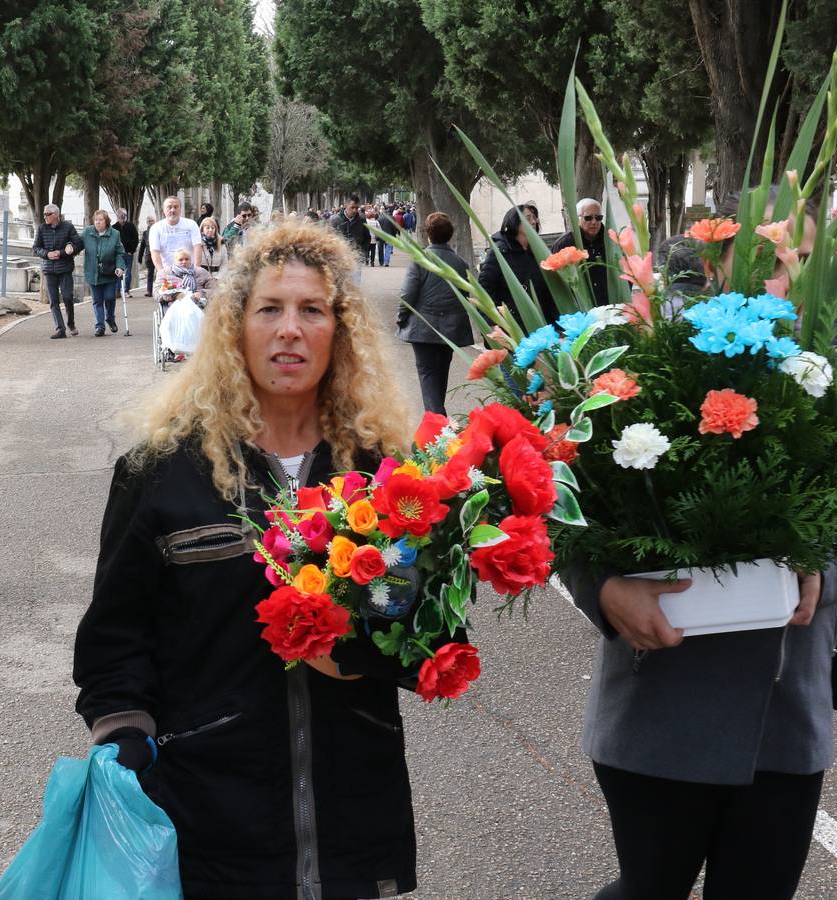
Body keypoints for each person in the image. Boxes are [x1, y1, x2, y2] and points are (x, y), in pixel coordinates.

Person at [75, 219, 448, 899]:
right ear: (233, 329)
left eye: (312, 310)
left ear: (339, 333)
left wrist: (353, 653)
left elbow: (429, 634)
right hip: (204, 817)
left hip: (349, 814)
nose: (289, 330)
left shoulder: (386, 477)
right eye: (269, 309)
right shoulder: (160, 471)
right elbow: (114, 639)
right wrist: (124, 736)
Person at [566, 201, 837, 900]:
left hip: (783, 715)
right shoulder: (647, 357)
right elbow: (567, 502)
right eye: (774, 261)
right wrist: (603, 590)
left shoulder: (833, 373)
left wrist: (823, 567)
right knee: (647, 888)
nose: (792, 280)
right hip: (660, 700)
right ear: (719, 264)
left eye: (806, 263)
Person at [397, 212, 473, 416]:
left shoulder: (420, 260)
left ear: (428, 234)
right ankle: (437, 420)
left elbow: (407, 294)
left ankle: (438, 422)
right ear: (450, 235)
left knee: (427, 374)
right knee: (441, 374)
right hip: (451, 328)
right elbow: (466, 295)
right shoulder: (460, 263)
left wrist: (402, 317)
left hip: (423, 325)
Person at [478, 206, 556, 327]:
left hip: (539, 324)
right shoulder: (500, 251)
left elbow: (548, 292)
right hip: (510, 325)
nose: (533, 221)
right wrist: (491, 323)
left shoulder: (539, 252)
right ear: (514, 222)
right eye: (528, 218)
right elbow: (485, 287)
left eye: (535, 218)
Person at [33, 203, 84, 339]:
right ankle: (60, 329)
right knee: (54, 301)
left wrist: (63, 252)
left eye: (47, 214)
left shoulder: (68, 227)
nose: (45, 217)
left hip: (65, 268)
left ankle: (71, 323)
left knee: (67, 297)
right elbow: (36, 248)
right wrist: (47, 254)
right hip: (49, 269)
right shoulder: (42, 228)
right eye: (44, 214)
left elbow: (79, 244)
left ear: (56, 215)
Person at [81, 209, 130, 337]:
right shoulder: (88, 232)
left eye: (100, 220)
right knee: (97, 300)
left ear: (106, 221)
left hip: (109, 273)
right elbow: (78, 244)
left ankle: (110, 318)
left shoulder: (115, 234)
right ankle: (100, 326)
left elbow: (120, 252)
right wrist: (69, 247)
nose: (98, 222)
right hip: (93, 273)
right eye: (96, 220)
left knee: (109, 298)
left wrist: (120, 266)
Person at [554, 198, 609, 305]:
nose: (594, 222)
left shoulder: (610, 241)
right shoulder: (565, 243)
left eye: (598, 217)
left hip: (609, 305)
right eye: (588, 218)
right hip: (579, 306)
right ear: (578, 219)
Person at [150, 196, 204, 273]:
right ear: (163, 210)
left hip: (189, 271)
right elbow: (154, 251)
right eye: (169, 207)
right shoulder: (156, 228)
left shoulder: (191, 224)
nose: (173, 210)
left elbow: (197, 246)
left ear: (180, 209)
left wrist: (196, 269)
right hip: (167, 272)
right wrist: (161, 273)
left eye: (176, 207)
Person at [329, 198, 368, 283]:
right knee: (339, 283)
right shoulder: (335, 220)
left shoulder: (361, 220)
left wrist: (362, 252)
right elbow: (328, 238)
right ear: (346, 205)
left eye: (356, 208)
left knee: (355, 283)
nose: (354, 210)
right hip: (339, 258)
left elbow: (367, 237)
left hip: (356, 258)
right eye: (352, 207)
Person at [115, 208, 141, 296]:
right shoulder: (114, 227)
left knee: (128, 273)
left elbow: (136, 239)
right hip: (118, 254)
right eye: (120, 215)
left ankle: (126, 290)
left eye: (124, 215)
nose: (122, 217)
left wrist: (131, 251)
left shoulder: (131, 226)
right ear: (117, 216)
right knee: (118, 272)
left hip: (128, 253)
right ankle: (117, 291)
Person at [138, 214, 158, 296]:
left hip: (158, 254)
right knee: (150, 273)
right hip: (149, 255)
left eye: (152, 221)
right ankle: (149, 291)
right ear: (147, 223)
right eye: (149, 221)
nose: (151, 222)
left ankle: (159, 290)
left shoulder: (158, 230)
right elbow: (142, 245)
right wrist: (139, 257)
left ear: (155, 221)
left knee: (160, 273)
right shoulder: (145, 233)